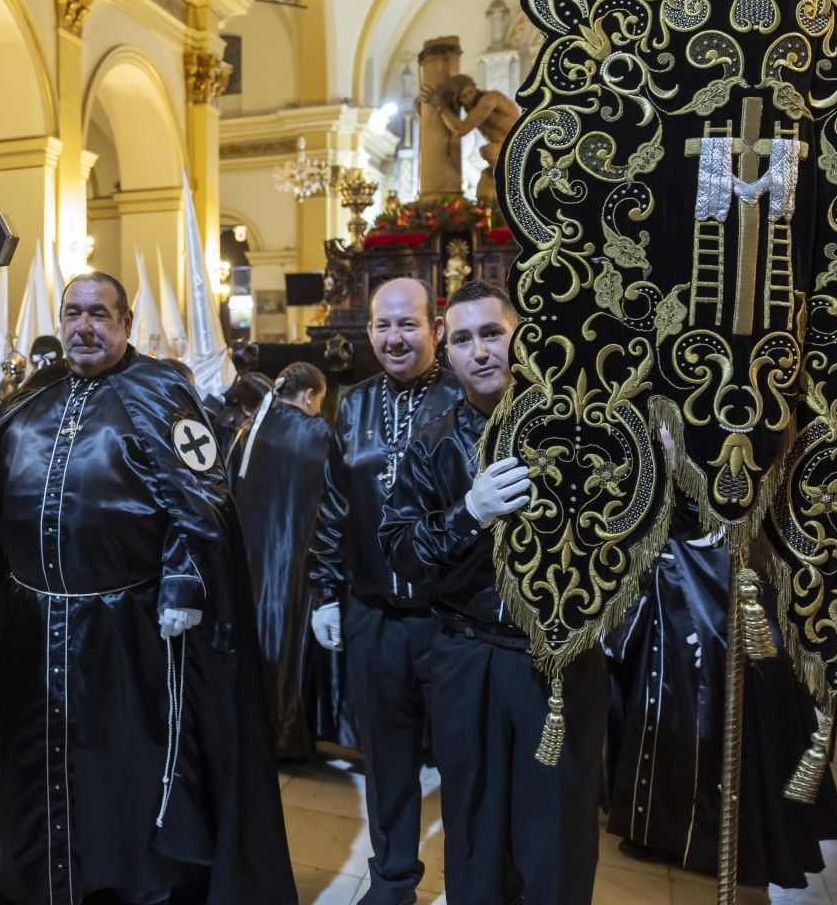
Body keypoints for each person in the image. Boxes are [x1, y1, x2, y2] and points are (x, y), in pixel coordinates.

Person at [0, 271, 294, 905]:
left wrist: (183, 583)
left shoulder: (161, 391)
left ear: (126, 323)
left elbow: (204, 501)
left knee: (113, 775)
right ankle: (41, 885)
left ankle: (116, 889)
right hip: (27, 625)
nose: (83, 326)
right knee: (28, 765)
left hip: (123, 634)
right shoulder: (35, 395)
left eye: (99, 314)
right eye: (72, 313)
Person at [380, 280, 606, 905]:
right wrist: (468, 513)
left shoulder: (578, 419)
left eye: (491, 333)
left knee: (555, 835)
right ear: (446, 351)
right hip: (467, 656)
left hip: (556, 661)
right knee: (475, 831)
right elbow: (401, 551)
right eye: (461, 339)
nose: (479, 351)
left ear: (520, 335)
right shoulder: (431, 435)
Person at [604, 483, 837, 889]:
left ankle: (709, 836)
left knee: (705, 680)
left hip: (706, 555)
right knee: (676, 682)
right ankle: (670, 830)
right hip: (682, 549)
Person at [307, 276, 461, 905]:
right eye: (384, 326)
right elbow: (334, 506)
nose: (396, 338)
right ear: (368, 332)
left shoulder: (464, 398)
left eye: (409, 325)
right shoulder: (354, 404)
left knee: (466, 763)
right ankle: (393, 881)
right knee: (388, 764)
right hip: (374, 616)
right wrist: (323, 591)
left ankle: (477, 883)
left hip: (452, 619)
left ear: (437, 329)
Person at [228, 362, 332, 760]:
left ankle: (249, 729)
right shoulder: (314, 432)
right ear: (310, 396)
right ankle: (285, 733)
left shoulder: (250, 430)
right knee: (285, 641)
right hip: (292, 554)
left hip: (250, 554)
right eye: (319, 402)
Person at [420, 74, 519, 203]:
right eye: (463, 96)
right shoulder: (471, 109)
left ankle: (516, 189)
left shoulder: (490, 99)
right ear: (457, 99)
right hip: (501, 153)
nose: (469, 97)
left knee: (487, 151)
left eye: (470, 92)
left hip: (518, 148)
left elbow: (461, 130)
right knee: (483, 193)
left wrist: (440, 105)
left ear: (475, 87)